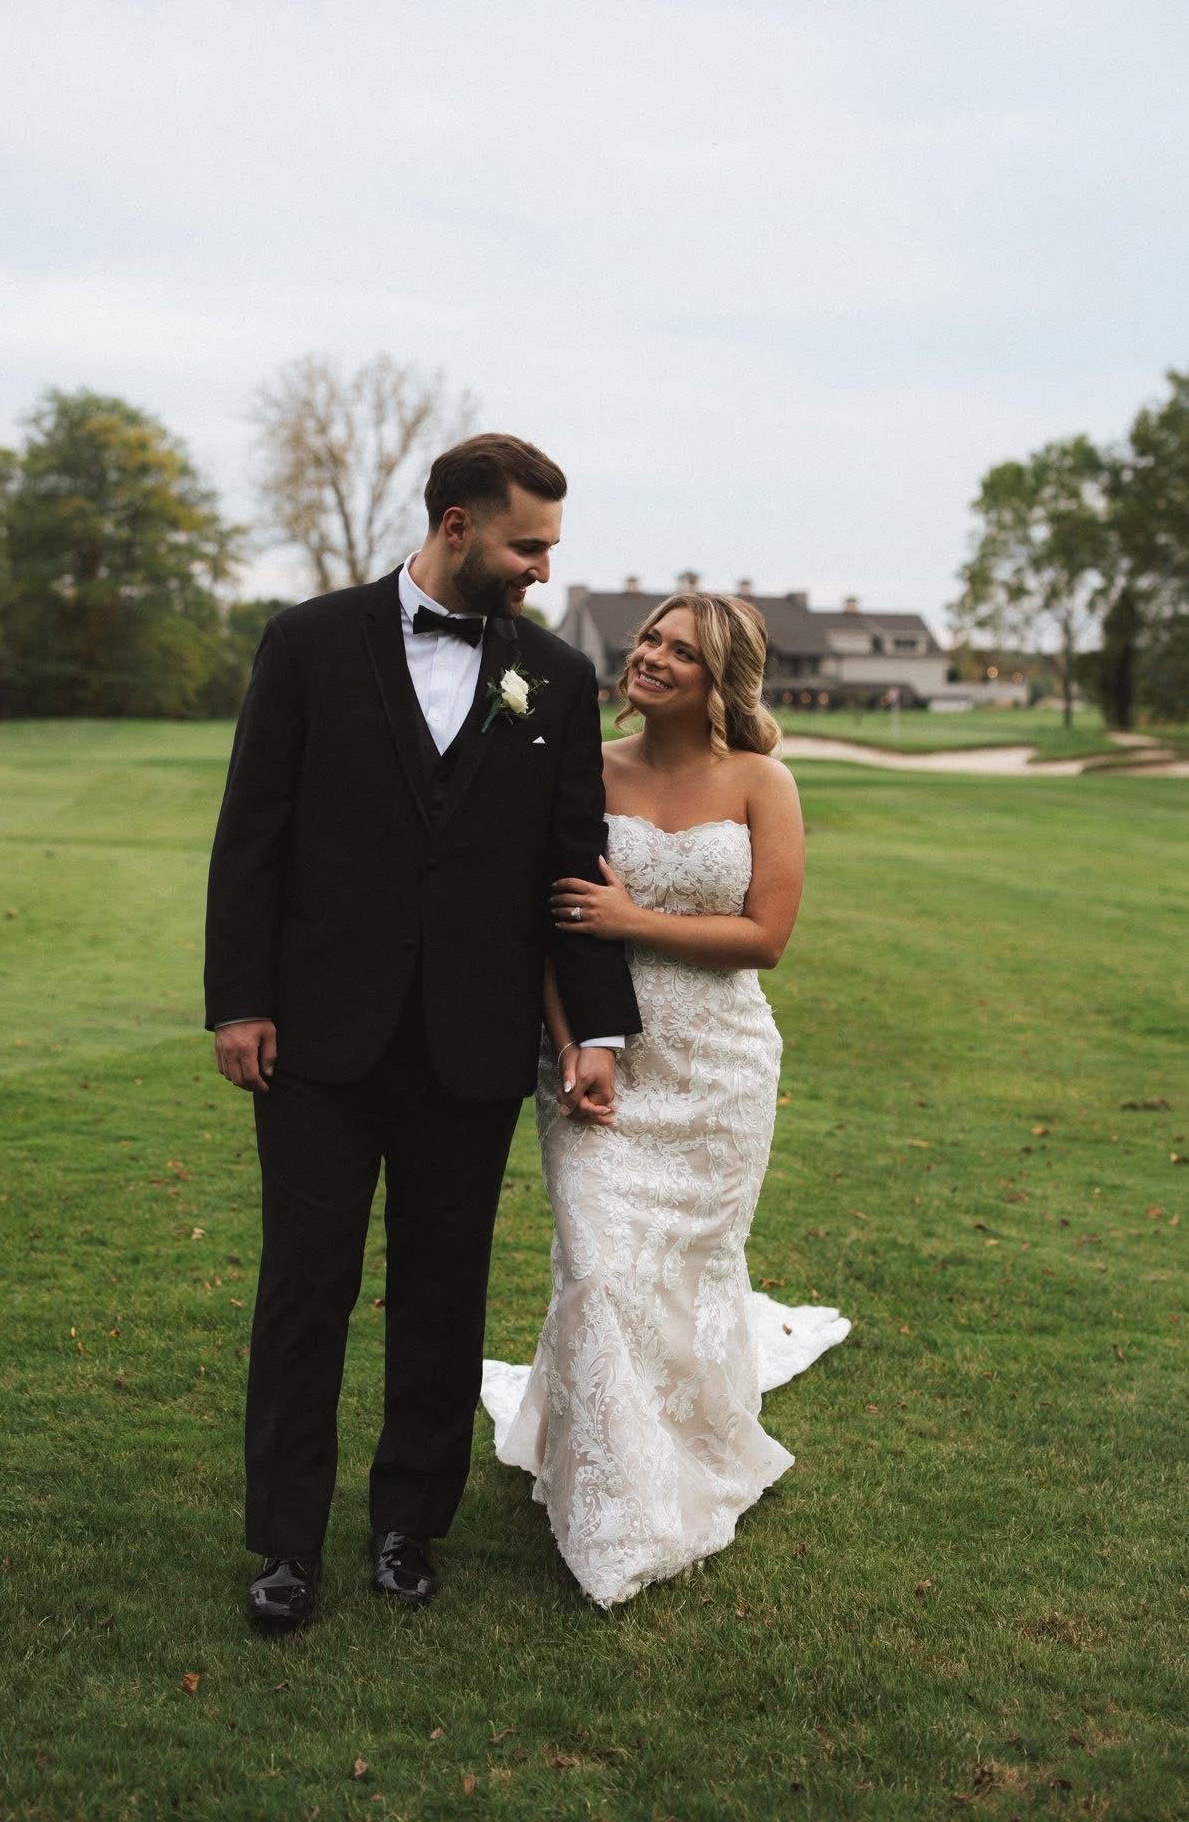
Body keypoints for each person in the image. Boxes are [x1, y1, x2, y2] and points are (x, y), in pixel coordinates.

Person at [205, 433, 641, 1629]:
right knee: (305, 1289)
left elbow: (569, 868)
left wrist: (593, 1028)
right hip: (315, 1038)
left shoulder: (552, 676)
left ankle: (407, 1526)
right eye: (526, 544)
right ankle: (285, 1544)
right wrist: (239, 999)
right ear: (456, 525)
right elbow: (253, 833)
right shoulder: (306, 645)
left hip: (470, 1040)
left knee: (443, 1291)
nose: (543, 568)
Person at [480, 591, 850, 1609]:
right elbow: (550, 921)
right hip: (595, 1057)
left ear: (719, 675)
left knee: (681, 1271)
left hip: (719, 1069)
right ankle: (610, 1499)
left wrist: (631, 915)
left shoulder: (761, 780)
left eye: (679, 650)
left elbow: (765, 934)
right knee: (602, 1270)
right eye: (648, 637)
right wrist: (569, 1042)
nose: (650, 656)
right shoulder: (583, 765)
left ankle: (685, 1448)